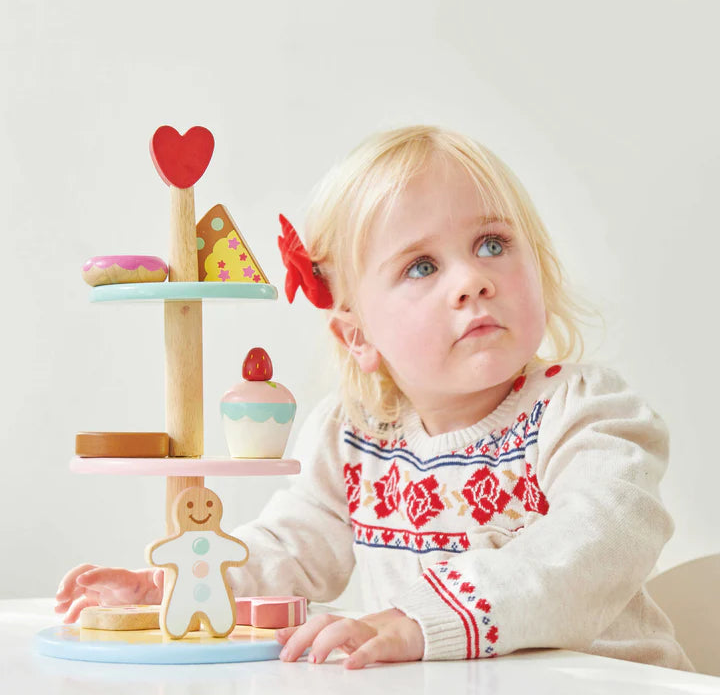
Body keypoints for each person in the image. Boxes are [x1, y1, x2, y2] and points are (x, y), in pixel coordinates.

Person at [56, 125, 692, 671]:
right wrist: (178, 584)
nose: (472, 280)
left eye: (491, 244)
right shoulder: (355, 434)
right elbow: (292, 550)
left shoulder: (585, 411)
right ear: (358, 336)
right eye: (421, 266)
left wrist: (422, 623)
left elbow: (595, 545)